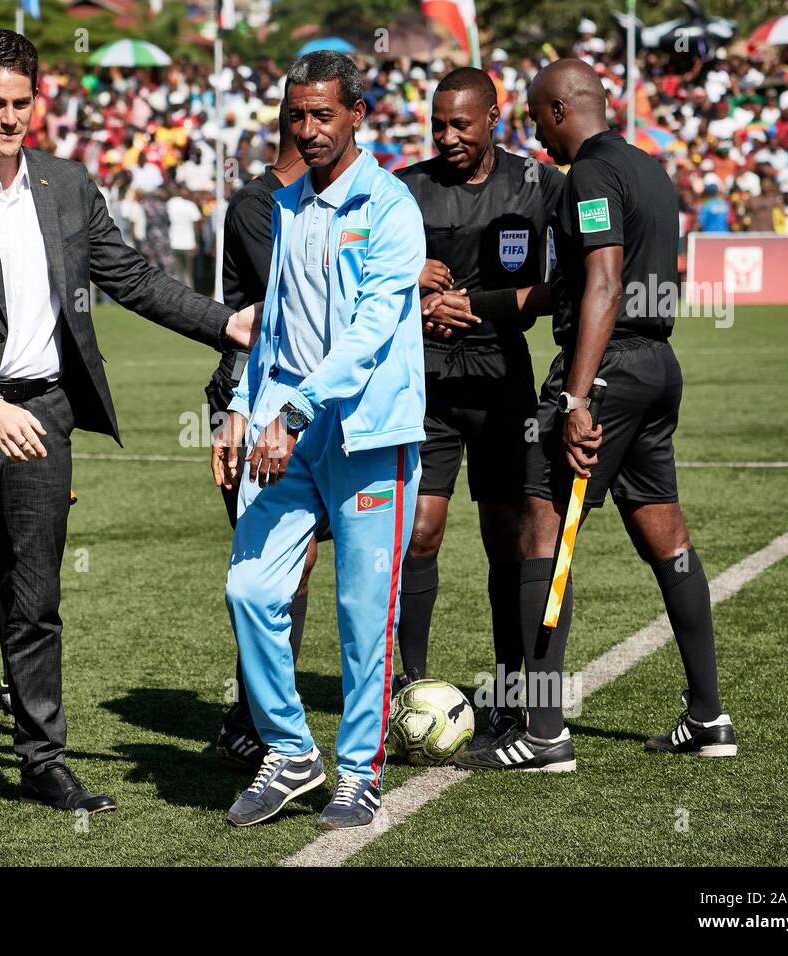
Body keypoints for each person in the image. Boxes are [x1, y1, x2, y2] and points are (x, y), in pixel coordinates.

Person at [0, 30, 258, 835]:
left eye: (22, 102)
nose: (10, 118)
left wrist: (228, 324)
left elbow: (134, 278)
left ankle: (45, 759)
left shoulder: (66, 184)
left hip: (44, 415)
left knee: (34, 594)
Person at [456, 59, 736, 773]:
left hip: (606, 374)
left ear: (557, 109)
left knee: (541, 529)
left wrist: (577, 399)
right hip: (655, 370)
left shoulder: (585, 175)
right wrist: (473, 305)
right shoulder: (648, 168)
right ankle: (708, 716)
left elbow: (604, 284)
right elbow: (567, 289)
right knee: (664, 534)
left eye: (531, 114)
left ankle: (542, 731)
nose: (533, 133)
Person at [215, 51, 425, 831]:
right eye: (296, 116)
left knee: (362, 611)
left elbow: (371, 331)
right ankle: (293, 750)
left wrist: (296, 409)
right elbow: (273, 324)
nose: (307, 130)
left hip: (368, 434)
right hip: (285, 430)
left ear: (357, 115)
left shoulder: (393, 206)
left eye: (322, 115)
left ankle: (360, 771)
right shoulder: (289, 204)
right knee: (250, 589)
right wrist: (242, 404)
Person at [392, 67, 563, 738]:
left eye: (461, 123)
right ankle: (409, 685)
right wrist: (414, 292)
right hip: (425, 382)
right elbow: (357, 276)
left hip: (500, 381)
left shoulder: (536, 184)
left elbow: (572, 278)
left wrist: (484, 306)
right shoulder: (404, 189)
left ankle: (510, 688)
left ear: (493, 117)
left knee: (507, 540)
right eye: (438, 124)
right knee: (421, 532)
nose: (447, 136)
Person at [206, 79, 315, 768]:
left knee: (294, 567)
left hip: (310, 400)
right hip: (250, 399)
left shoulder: (329, 200)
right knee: (272, 566)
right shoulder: (259, 203)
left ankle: (259, 716)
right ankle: (253, 719)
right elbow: (299, 295)